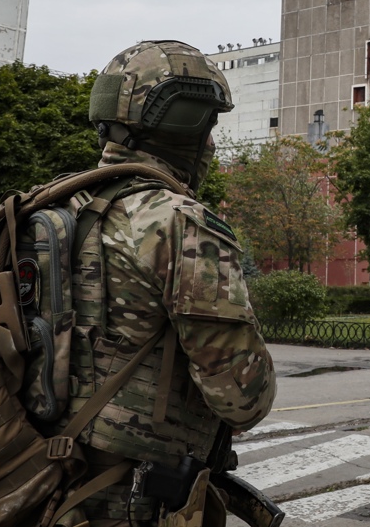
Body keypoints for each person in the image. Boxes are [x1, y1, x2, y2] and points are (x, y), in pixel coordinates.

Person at [60, 39, 276, 527]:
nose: (213, 143)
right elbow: (242, 398)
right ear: (185, 123)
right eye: (210, 126)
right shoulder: (179, 224)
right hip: (134, 498)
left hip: (51, 480)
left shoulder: (61, 207)